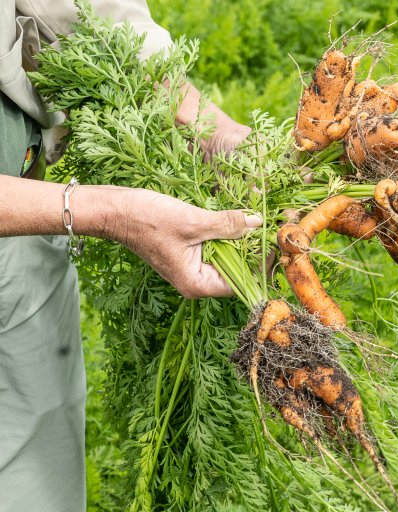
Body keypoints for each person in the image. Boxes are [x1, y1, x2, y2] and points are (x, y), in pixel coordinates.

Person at [0, 2, 259, 510]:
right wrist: (108, 211)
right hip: (53, 214)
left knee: (37, 480)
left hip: (22, 232)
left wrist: (205, 126)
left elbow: (84, 7)